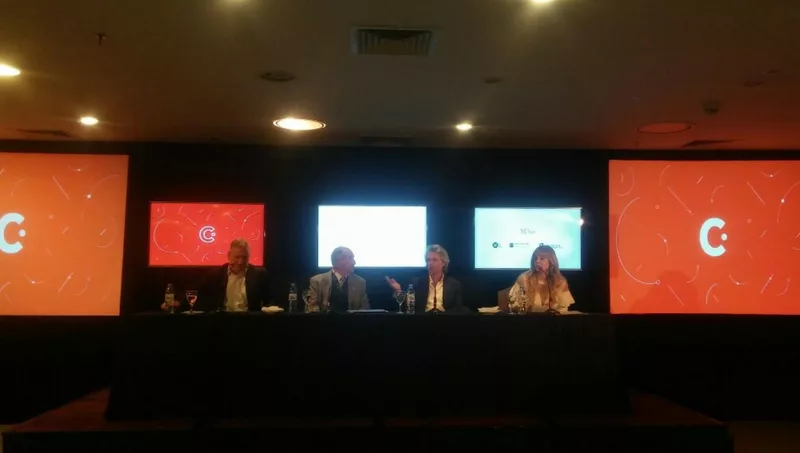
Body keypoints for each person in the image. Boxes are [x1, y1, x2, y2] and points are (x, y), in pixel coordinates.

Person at [160, 238, 270, 312]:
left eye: (244, 257)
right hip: (223, 321)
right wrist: (178, 302)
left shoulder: (259, 275)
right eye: (237, 257)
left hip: (250, 322)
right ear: (229, 256)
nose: (240, 262)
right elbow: (196, 290)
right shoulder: (217, 274)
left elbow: (269, 300)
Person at [386, 244, 465, 314]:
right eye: (428, 260)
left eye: (434, 260)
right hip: (423, 320)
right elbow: (408, 307)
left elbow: (457, 309)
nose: (430, 263)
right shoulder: (417, 283)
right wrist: (398, 290)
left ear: (443, 263)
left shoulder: (454, 284)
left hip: (445, 320)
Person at [508, 245, 574, 313]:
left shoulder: (560, 282)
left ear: (551, 262)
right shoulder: (524, 279)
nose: (537, 261)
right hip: (528, 319)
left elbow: (563, 310)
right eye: (535, 258)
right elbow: (513, 304)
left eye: (542, 258)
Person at [307, 246, 369, 312]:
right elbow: (312, 307)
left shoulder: (360, 282)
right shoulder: (317, 281)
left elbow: (364, 310)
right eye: (351, 258)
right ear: (340, 261)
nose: (354, 262)